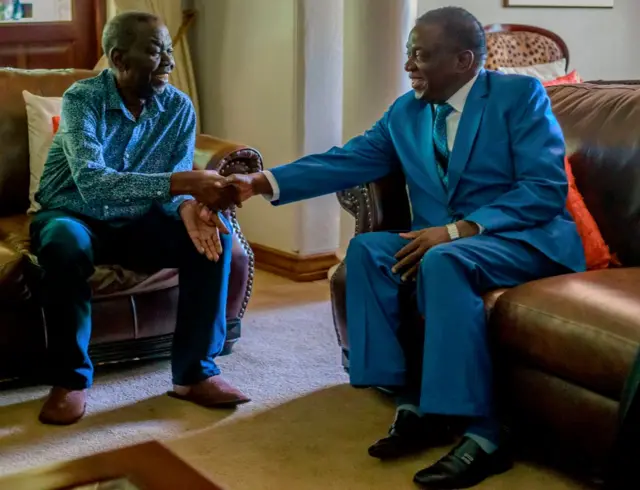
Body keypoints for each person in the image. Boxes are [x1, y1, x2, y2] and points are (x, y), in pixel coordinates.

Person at [218, 6, 586, 489]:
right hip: (445, 244)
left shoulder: (519, 97)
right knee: (370, 252)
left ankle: (486, 434)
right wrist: (260, 182)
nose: (409, 65)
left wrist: (458, 230)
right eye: (408, 53)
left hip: (521, 238)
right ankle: (412, 400)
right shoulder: (406, 111)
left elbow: (542, 188)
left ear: (463, 60)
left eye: (421, 55)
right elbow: (346, 160)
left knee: (444, 258)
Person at [31, 11, 248, 426]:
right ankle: (70, 381)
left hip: (136, 220)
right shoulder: (82, 99)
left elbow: (171, 195)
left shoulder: (178, 108)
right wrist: (182, 183)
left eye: (168, 49)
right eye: (155, 51)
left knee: (214, 241)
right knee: (63, 245)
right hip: (73, 212)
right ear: (119, 58)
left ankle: (194, 373)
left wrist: (190, 209)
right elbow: (93, 183)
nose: (168, 60)